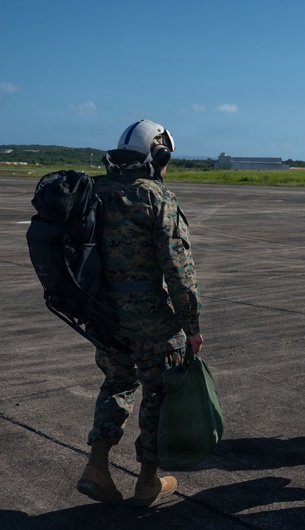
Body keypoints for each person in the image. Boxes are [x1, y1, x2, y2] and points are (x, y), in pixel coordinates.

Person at [77, 119, 203, 507]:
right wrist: (191, 324)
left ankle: (96, 467)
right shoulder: (156, 196)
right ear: (157, 155)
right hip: (150, 315)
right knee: (158, 393)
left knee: (117, 382)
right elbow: (178, 270)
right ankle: (148, 481)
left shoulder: (94, 191)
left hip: (103, 313)